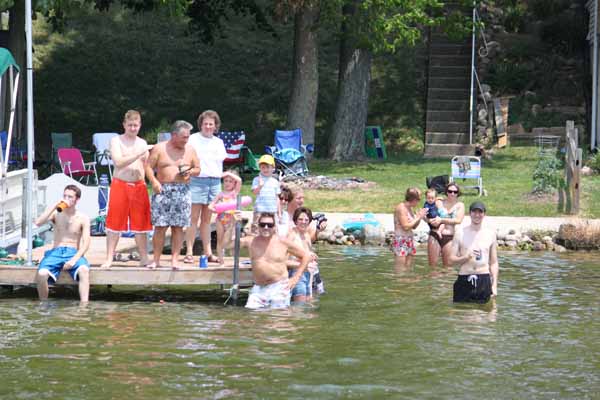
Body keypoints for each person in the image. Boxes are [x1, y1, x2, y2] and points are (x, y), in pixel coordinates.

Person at [101, 110, 153, 269]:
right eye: (130, 125)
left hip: (139, 185)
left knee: (141, 225)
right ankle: (109, 258)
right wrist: (139, 153)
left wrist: (155, 181)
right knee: (114, 224)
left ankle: (144, 258)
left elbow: (147, 166)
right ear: (124, 125)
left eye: (135, 125)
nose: (133, 128)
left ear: (140, 125)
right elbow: (118, 162)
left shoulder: (142, 142)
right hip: (120, 184)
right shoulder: (116, 141)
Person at [145, 120, 200, 269]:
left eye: (188, 137)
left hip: (182, 190)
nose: (186, 140)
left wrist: (190, 171)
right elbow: (148, 167)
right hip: (162, 189)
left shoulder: (190, 150)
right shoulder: (159, 148)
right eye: (184, 137)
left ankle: (175, 260)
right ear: (174, 135)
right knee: (160, 227)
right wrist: (154, 182)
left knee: (178, 227)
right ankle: (156, 260)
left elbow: (198, 168)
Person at [232, 212, 311, 309]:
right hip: (259, 288)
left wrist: (295, 278)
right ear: (258, 226)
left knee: (277, 316)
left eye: (269, 225)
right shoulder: (250, 241)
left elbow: (306, 256)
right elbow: (227, 244)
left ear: (274, 227)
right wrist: (232, 224)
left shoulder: (283, 242)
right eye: (263, 224)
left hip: (279, 287)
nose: (266, 227)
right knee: (252, 314)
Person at [185, 110, 227, 264]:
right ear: (200, 125)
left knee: (207, 220)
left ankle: (208, 252)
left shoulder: (219, 142)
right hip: (197, 181)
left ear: (216, 126)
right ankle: (189, 252)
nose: (208, 127)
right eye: (205, 124)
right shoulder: (193, 139)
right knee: (193, 218)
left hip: (214, 182)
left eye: (211, 124)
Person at [35, 185, 91, 302]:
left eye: (70, 197)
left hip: (73, 252)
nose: (66, 199)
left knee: (84, 270)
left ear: (77, 199)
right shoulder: (56, 214)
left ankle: (84, 306)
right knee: (41, 274)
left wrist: (74, 260)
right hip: (56, 251)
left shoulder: (83, 218)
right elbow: (38, 222)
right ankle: (43, 305)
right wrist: (55, 206)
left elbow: (86, 243)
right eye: (65, 196)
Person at [449, 201, 499, 303]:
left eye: (480, 212)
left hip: (483, 278)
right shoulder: (460, 233)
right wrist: (465, 257)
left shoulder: (490, 234)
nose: (477, 215)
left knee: (484, 311)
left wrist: (494, 285)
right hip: (464, 276)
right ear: (470, 213)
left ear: (484, 214)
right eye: (474, 212)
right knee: (460, 310)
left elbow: (494, 263)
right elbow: (451, 259)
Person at [286, 207, 322, 302]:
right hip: (296, 274)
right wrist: (302, 264)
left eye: (306, 220)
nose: (303, 222)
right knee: (299, 306)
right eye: (300, 219)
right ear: (295, 221)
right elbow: (283, 261)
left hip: (308, 274)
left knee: (308, 305)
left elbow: (305, 254)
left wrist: (312, 256)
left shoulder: (306, 235)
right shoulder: (291, 235)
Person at [208, 170, 242, 264]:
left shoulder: (234, 193)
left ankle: (235, 261)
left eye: (230, 181)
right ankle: (221, 261)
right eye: (226, 181)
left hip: (231, 219)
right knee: (220, 240)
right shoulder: (220, 194)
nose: (227, 183)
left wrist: (228, 174)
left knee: (232, 240)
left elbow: (239, 180)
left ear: (234, 184)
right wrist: (215, 209)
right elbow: (210, 206)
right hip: (220, 219)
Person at [427, 183, 465, 267]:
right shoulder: (439, 202)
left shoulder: (460, 205)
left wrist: (441, 220)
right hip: (435, 234)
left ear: (458, 193)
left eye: (455, 192)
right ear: (446, 192)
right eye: (450, 191)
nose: (452, 193)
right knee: (432, 267)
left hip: (449, 237)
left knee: (448, 267)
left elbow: (458, 220)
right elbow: (428, 210)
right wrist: (427, 219)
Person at [392, 188, 428, 269]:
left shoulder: (410, 208)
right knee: (400, 269)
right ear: (413, 199)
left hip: (409, 240)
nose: (419, 202)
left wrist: (419, 217)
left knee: (408, 269)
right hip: (401, 240)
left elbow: (414, 226)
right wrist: (418, 217)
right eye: (419, 199)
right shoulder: (401, 208)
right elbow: (405, 226)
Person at [251, 154, 281, 230]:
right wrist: (260, 186)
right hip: (259, 209)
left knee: (273, 228)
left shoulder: (275, 181)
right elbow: (254, 192)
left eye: (268, 167)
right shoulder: (256, 179)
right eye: (263, 167)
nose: (265, 169)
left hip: (272, 209)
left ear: (273, 168)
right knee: (257, 228)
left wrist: (279, 212)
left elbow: (277, 197)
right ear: (260, 168)